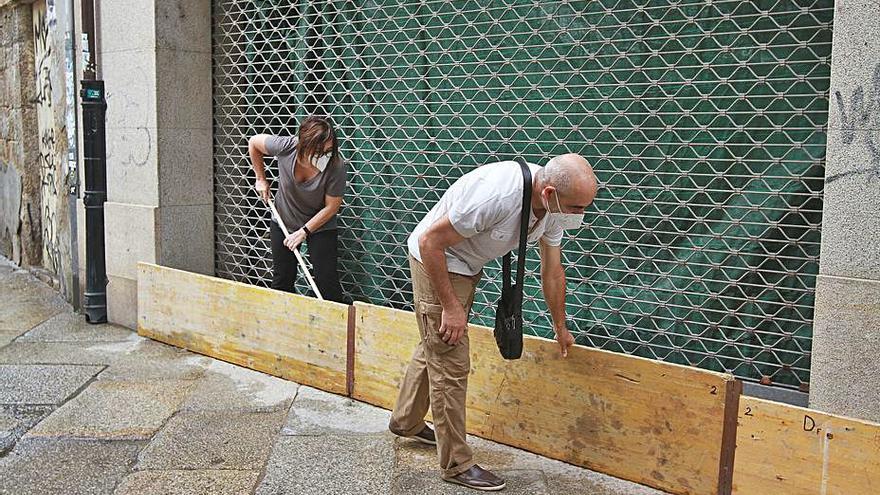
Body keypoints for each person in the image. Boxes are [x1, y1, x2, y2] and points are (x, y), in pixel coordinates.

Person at [389, 154, 598, 491]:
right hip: (438, 258)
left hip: (467, 264)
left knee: (436, 340)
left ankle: (405, 421)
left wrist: (561, 326)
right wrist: (450, 306)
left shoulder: (555, 205)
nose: (581, 215)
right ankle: (456, 464)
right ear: (548, 193)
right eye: (577, 207)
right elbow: (430, 242)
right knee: (450, 360)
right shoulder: (496, 195)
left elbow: (552, 272)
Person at [248, 116, 348, 303]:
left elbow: (331, 207)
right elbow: (254, 143)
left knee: (327, 281)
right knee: (282, 279)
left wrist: (304, 231)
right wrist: (260, 178)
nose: (324, 156)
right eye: (319, 151)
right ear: (304, 145)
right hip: (284, 219)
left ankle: (334, 327)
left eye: (328, 150)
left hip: (320, 224)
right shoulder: (287, 147)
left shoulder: (336, 166)